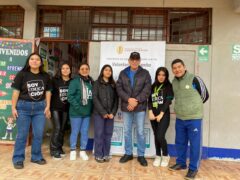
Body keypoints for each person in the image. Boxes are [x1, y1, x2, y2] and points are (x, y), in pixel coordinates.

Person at [168, 59, 209, 180]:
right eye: (174, 68)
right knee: (180, 142)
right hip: (180, 118)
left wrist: (194, 107)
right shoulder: (174, 82)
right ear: (172, 70)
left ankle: (193, 168)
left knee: (195, 144)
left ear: (184, 67)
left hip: (194, 118)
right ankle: (181, 163)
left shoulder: (194, 78)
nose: (177, 70)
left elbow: (205, 95)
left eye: (179, 67)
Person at [11, 52, 52, 169]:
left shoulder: (45, 76)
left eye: (37, 59)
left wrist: (47, 106)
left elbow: (48, 92)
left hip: (40, 108)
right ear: (28, 61)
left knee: (38, 134)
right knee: (22, 135)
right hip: (23, 107)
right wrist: (13, 107)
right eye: (32, 59)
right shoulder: (22, 74)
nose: (34, 61)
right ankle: (18, 158)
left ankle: (36, 157)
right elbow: (16, 92)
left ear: (41, 63)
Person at [116, 52, 151, 167]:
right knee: (127, 131)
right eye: (132, 59)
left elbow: (147, 90)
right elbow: (119, 88)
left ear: (139, 61)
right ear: (129, 60)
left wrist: (135, 101)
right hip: (127, 107)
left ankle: (141, 155)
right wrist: (128, 100)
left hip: (139, 107)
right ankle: (128, 153)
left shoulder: (145, 73)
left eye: (137, 59)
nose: (134, 61)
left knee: (140, 132)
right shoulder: (123, 73)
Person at [67, 62, 93, 161]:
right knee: (75, 132)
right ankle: (73, 150)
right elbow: (70, 96)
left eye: (86, 68)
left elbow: (92, 97)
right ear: (79, 71)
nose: (84, 70)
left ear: (89, 70)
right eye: (82, 69)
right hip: (76, 113)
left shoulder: (91, 82)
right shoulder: (75, 82)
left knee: (84, 132)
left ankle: (82, 151)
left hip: (87, 113)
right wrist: (78, 107)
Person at [148, 67, 173, 167]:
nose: (161, 77)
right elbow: (149, 100)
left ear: (166, 76)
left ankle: (166, 156)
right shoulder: (153, 86)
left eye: (163, 75)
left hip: (164, 115)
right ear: (156, 75)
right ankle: (158, 155)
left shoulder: (168, 86)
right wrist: (150, 111)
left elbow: (168, 101)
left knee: (160, 136)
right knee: (156, 135)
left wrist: (161, 114)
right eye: (159, 74)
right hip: (153, 115)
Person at [92, 64, 118, 163]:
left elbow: (116, 100)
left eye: (110, 70)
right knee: (99, 134)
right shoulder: (96, 83)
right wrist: (103, 112)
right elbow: (95, 98)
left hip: (110, 115)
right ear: (102, 71)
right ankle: (98, 154)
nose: (108, 72)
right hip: (99, 114)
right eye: (106, 70)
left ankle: (106, 154)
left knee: (108, 134)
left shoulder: (113, 85)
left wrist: (113, 113)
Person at [49, 62, 71, 159]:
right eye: (63, 68)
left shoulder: (73, 81)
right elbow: (49, 94)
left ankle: (59, 147)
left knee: (62, 129)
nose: (65, 70)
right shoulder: (55, 80)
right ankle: (53, 150)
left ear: (70, 70)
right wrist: (48, 107)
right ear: (60, 70)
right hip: (55, 108)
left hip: (66, 109)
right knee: (57, 128)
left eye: (67, 68)